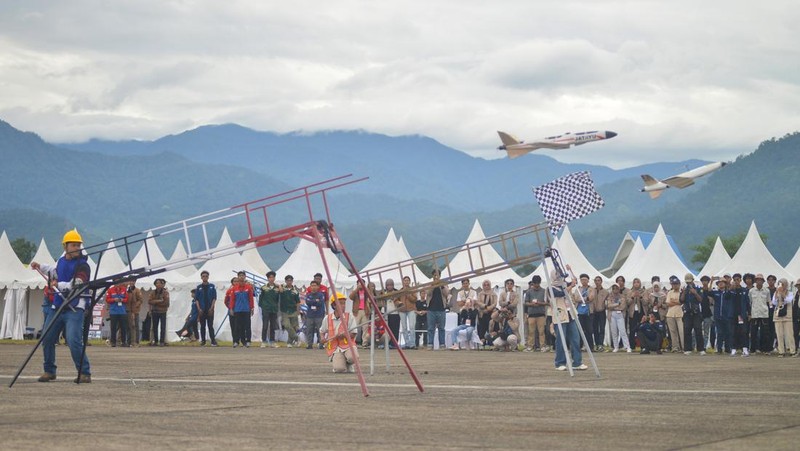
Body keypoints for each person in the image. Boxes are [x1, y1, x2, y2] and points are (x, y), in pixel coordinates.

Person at [30, 229, 92, 383]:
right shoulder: (61, 260)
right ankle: (49, 371)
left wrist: (59, 284)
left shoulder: (84, 265)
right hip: (58, 306)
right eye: (74, 245)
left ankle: (84, 372)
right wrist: (41, 266)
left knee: (73, 340)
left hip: (75, 307)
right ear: (66, 247)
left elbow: (77, 283)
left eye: (78, 245)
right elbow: (54, 270)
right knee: (47, 338)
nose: (77, 247)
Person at [549, 267, 587, 370]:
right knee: (561, 340)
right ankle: (560, 363)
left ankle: (577, 362)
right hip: (560, 315)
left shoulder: (565, 285)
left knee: (575, 338)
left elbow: (574, 279)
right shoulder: (551, 288)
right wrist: (570, 286)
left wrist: (570, 271)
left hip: (570, 314)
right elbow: (561, 294)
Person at [320, 292, 359, 373]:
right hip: (335, 348)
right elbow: (322, 331)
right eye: (340, 303)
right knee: (339, 370)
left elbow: (354, 333)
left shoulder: (350, 317)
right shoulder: (327, 318)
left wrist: (345, 335)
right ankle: (342, 364)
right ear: (334, 305)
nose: (343, 305)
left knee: (353, 357)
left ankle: (349, 363)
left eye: (344, 303)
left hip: (348, 345)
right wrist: (323, 338)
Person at [424, 268, 449, 350]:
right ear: (432, 276)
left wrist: (441, 286)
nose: (436, 277)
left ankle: (442, 344)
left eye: (437, 275)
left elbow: (446, 294)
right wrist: (433, 285)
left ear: (440, 276)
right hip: (431, 309)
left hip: (441, 309)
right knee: (431, 328)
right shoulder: (430, 284)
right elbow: (428, 293)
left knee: (441, 328)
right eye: (434, 275)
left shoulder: (444, 284)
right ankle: (430, 344)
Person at [680, 273, 704, 355]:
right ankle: (687, 349)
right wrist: (683, 293)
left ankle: (701, 349)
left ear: (693, 280)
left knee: (698, 330)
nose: (688, 284)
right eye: (687, 282)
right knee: (687, 330)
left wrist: (695, 293)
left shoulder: (698, 288)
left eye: (690, 282)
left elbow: (701, 300)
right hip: (687, 313)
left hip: (696, 312)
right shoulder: (684, 289)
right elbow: (681, 300)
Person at [771, 278, 796, 357]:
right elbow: (774, 302)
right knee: (779, 334)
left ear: (786, 285)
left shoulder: (790, 293)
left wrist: (782, 293)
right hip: (778, 315)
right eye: (780, 284)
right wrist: (777, 293)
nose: (781, 285)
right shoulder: (776, 292)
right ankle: (781, 351)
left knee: (789, 334)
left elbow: (788, 301)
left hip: (787, 315)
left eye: (783, 284)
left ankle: (792, 350)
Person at [230, 271, 254, 348]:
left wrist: (252, 308)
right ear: (238, 277)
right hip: (237, 310)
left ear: (245, 277)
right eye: (240, 275)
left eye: (243, 275)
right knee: (237, 326)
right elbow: (232, 299)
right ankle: (236, 341)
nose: (241, 277)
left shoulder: (248, 287)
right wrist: (231, 308)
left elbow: (251, 298)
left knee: (247, 326)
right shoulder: (234, 288)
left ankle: (248, 341)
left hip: (246, 310)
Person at [524, 275, 547, 352]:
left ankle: (542, 346)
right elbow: (526, 303)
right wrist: (532, 304)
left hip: (541, 314)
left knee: (541, 331)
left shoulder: (544, 291)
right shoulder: (528, 292)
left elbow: (547, 302)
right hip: (531, 314)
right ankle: (530, 346)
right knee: (531, 331)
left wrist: (539, 303)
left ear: (540, 283)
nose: (536, 285)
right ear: (533, 283)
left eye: (538, 283)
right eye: (535, 283)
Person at [748, 274, 771, 354]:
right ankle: (753, 349)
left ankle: (766, 349)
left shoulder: (766, 291)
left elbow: (768, 301)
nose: (759, 281)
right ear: (755, 281)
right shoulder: (751, 291)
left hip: (764, 313)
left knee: (765, 332)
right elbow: (750, 302)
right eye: (757, 280)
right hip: (755, 313)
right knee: (753, 332)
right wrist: (750, 313)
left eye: (761, 280)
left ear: (763, 281)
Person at [729, 273, 750, 357]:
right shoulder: (731, 290)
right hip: (733, 314)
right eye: (735, 280)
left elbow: (747, 302)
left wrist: (749, 313)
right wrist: (731, 289)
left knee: (744, 332)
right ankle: (733, 349)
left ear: (741, 280)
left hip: (742, 315)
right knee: (733, 332)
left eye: (738, 279)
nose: (736, 281)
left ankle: (744, 349)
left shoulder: (744, 290)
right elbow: (726, 297)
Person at [195, 270, 218, 347]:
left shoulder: (212, 286)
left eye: (206, 276)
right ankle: (203, 341)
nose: (205, 277)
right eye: (203, 276)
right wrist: (199, 309)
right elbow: (197, 299)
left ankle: (213, 340)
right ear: (201, 277)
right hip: (202, 309)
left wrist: (211, 308)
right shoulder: (199, 287)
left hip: (209, 309)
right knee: (202, 326)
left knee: (210, 325)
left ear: (208, 277)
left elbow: (214, 298)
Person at [258, 271, 280, 348]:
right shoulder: (263, 287)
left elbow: (278, 298)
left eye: (273, 277)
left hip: (273, 309)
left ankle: (272, 341)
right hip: (266, 309)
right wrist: (262, 307)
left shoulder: (277, 288)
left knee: (273, 326)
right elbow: (261, 298)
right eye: (270, 277)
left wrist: (279, 286)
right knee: (265, 325)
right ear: (268, 278)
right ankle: (264, 341)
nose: (271, 279)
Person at [607, 284, 631, 352]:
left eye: (616, 288)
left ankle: (627, 346)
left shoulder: (622, 296)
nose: (615, 290)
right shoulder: (610, 296)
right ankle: (616, 346)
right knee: (614, 331)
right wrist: (617, 304)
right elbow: (608, 305)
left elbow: (623, 306)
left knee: (622, 331)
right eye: (614, 288)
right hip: (612, 314)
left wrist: (614, 306)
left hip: (620, 314)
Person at [713, 279, 734, 355]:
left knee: (728, 332)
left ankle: (728, 349)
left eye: (722, 283)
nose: (720, 284)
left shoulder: (729, 292)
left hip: (727, 316)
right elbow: (707, 292)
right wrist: (711, 281)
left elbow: (730, 295)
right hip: (718, 316)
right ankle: (719, 348)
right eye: (719, 283)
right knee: (719, 333)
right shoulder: (715, 292)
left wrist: (729, 288)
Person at [349, 280, 374, 346]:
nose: (360, 285)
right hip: (357, 311)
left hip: (365, 311)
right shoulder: (355, 292)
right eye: (359, 283)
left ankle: (364, 342)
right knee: (355, 327)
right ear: (357, 284)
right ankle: (353, 341)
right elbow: (350, 297)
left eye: (362, 283)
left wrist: (366, 288)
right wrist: (357, 289)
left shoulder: (366, 291)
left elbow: (371, 296)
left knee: (365, 327)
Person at [573, 273, 594, 351]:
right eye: (582, 280)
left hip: (588, 311)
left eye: (585, 280)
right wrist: (585, 299)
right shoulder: (578, 289)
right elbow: (576, 298)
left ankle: (590, 346)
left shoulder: (591, 289)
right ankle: (580, 345)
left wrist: (582, 299)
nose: (583, 281)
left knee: (589, 330)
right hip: (579, 311)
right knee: (580, 329)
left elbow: (591, 298)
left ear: (588, 280)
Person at [396, 276, 417, 349]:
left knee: (412, 326)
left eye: (408, 280)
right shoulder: (400, 290)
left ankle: (412, 343)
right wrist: (398, 302)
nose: (406, 282)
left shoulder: (412, 290)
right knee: (404, 327)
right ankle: (407, 343)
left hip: (411, 309)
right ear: (403, 282)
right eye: (405, 280)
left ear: (409, 281)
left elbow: (415, 299)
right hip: (402, 310)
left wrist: (408, 295)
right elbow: (395, 300)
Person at [106, 282, 129, 347]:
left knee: (123, 327)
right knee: (113, 327)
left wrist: (122, 300)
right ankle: (113, 342)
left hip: (122, 311)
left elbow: (127, 299)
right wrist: (114, 299)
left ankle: (124, 342)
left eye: (119, 282)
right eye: (117, 282)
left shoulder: (124, 289)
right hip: (113, 312)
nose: (118, 284)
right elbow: (107, 299)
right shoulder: (110, 290)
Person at [280, 275, 301, 347]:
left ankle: (289, 342)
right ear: (285, 281)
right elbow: (276, 287)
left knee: (293, 326)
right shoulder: (282, 289)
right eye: (287, 280)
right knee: (287, 325)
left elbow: (298, 302)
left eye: (290, 280)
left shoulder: (295, 291)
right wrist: (280, 286)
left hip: (293, 310)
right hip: (285, 311)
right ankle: (297, 338)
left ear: (292, 281)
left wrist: (298, 311)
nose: (289, 282)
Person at [665, 275, 684, 352]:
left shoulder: (682, 292)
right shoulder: (669, 292)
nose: (675, 285)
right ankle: (675, 347)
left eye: (676, 284)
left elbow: (681, 302)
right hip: (670, 314)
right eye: (673, 284)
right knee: (673, 332)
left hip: (680, 314)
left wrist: (674, 301)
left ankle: (683, 347)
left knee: (681, 331)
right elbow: (668, 303)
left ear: (679, 284)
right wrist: (677, 302)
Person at [589, 276, 608, 352]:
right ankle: (597, 344)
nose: (597, 282)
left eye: (598, 280)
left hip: (601, 311)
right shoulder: (591, 290)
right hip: (593, 312)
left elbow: (607, 302)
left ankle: (601, 344)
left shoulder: (605, 292)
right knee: (595, 328)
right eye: (596, 280)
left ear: (601, 281)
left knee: (602, 328)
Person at [148, 278, 170, 346]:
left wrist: (155, 302)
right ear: (155, 284)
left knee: (163, 327)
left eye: (159, 283)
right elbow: (149, 301)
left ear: (162, 284)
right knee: (155, 327)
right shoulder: (152, 292)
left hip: (163, 311)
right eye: (157, 283)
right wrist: (159, 301)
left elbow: (166, 303)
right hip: (155, 311)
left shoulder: (165, 293)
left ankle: (162, 341)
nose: (158, 284)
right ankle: (156, 341)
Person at [304, 280, 326, 349]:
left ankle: (321, 344)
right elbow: (308, 302)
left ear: (317, 287)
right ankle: (309, 344)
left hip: (319, 315)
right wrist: (315, 301)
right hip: (310, 315)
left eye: (315, 285)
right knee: (309, 330)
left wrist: (313, 302)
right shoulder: (308, 295)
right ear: (310, 287)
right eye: (312, 286)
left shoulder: (321, 295)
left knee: (320, 330)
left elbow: (320, 303)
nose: (313, 287)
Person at [476, 279, 496, 348]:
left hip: (491, 314)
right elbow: (478, 302)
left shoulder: (493, 294)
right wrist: (484, 306)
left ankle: (490, 343)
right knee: (481, 328)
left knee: (490, 328)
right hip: (482, 314)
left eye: (488, 285)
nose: (486, 286)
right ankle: (482, 343)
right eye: (485, 285)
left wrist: (489, 308)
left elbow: (495, 303)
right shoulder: (480, 293)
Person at [698, 276, 715, 351]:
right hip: (699, 313)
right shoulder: (699, 290)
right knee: (697, 331)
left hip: (708, 313)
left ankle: (705, 346)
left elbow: (712, 302)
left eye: (706, 281)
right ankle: (697, 346)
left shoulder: (710, 291)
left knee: (706, 331)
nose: (704, 282)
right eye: (703, 281)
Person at [627, 278, 645, 349]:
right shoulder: (630, 292)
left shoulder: (644, 291)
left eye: (638, 282)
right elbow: (627, 302)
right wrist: (632, 296)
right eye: (635, 282)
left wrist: (640, 296)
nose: (636, 284)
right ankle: (632, 345)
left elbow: (646, 302)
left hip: (641, 312)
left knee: (642, 328)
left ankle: (643, 345)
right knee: (632, 329)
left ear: (640, 283)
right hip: (633, 312)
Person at [126, 280, 143, 347]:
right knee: (128, 326)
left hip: (135, 311)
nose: (131, 282)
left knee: (135, 326)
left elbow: (140, 300)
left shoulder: (137, 290)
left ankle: (136, 341)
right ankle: (127, 341)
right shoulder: (126, 290)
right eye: (130, 281)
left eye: (133, 281)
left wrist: (135, 307)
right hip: (127, 310)